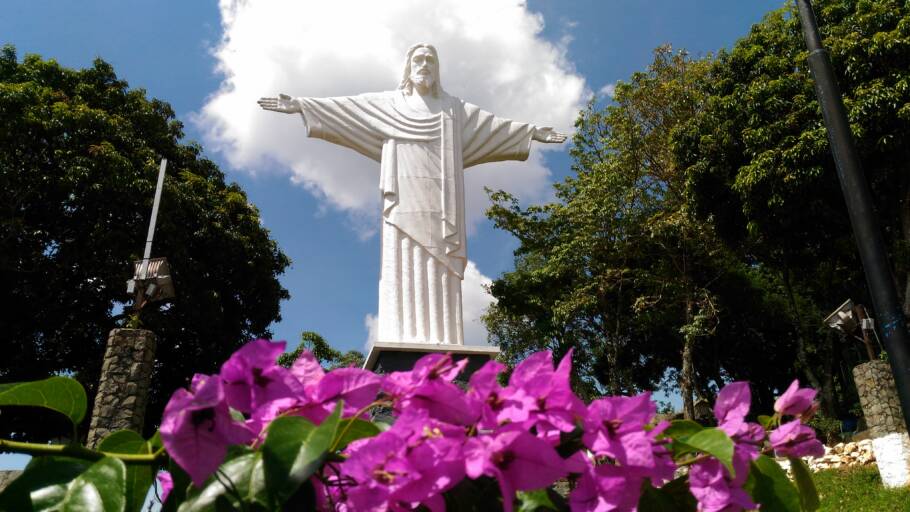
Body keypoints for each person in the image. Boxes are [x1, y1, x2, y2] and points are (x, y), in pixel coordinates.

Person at [259, 43, 566, 345]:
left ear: (437, 69)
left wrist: (531, 133)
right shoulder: (389, 104)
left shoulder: (453, 110)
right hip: (403, 201)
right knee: (402, 261)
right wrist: (302, 105)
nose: (424, 66)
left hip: (442, 206)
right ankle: (401, 336)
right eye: (418, 60)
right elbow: (348, 108)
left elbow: (493, 127)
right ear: (408, 68)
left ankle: (445, 339)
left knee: (441, 266)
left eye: (430, 60)